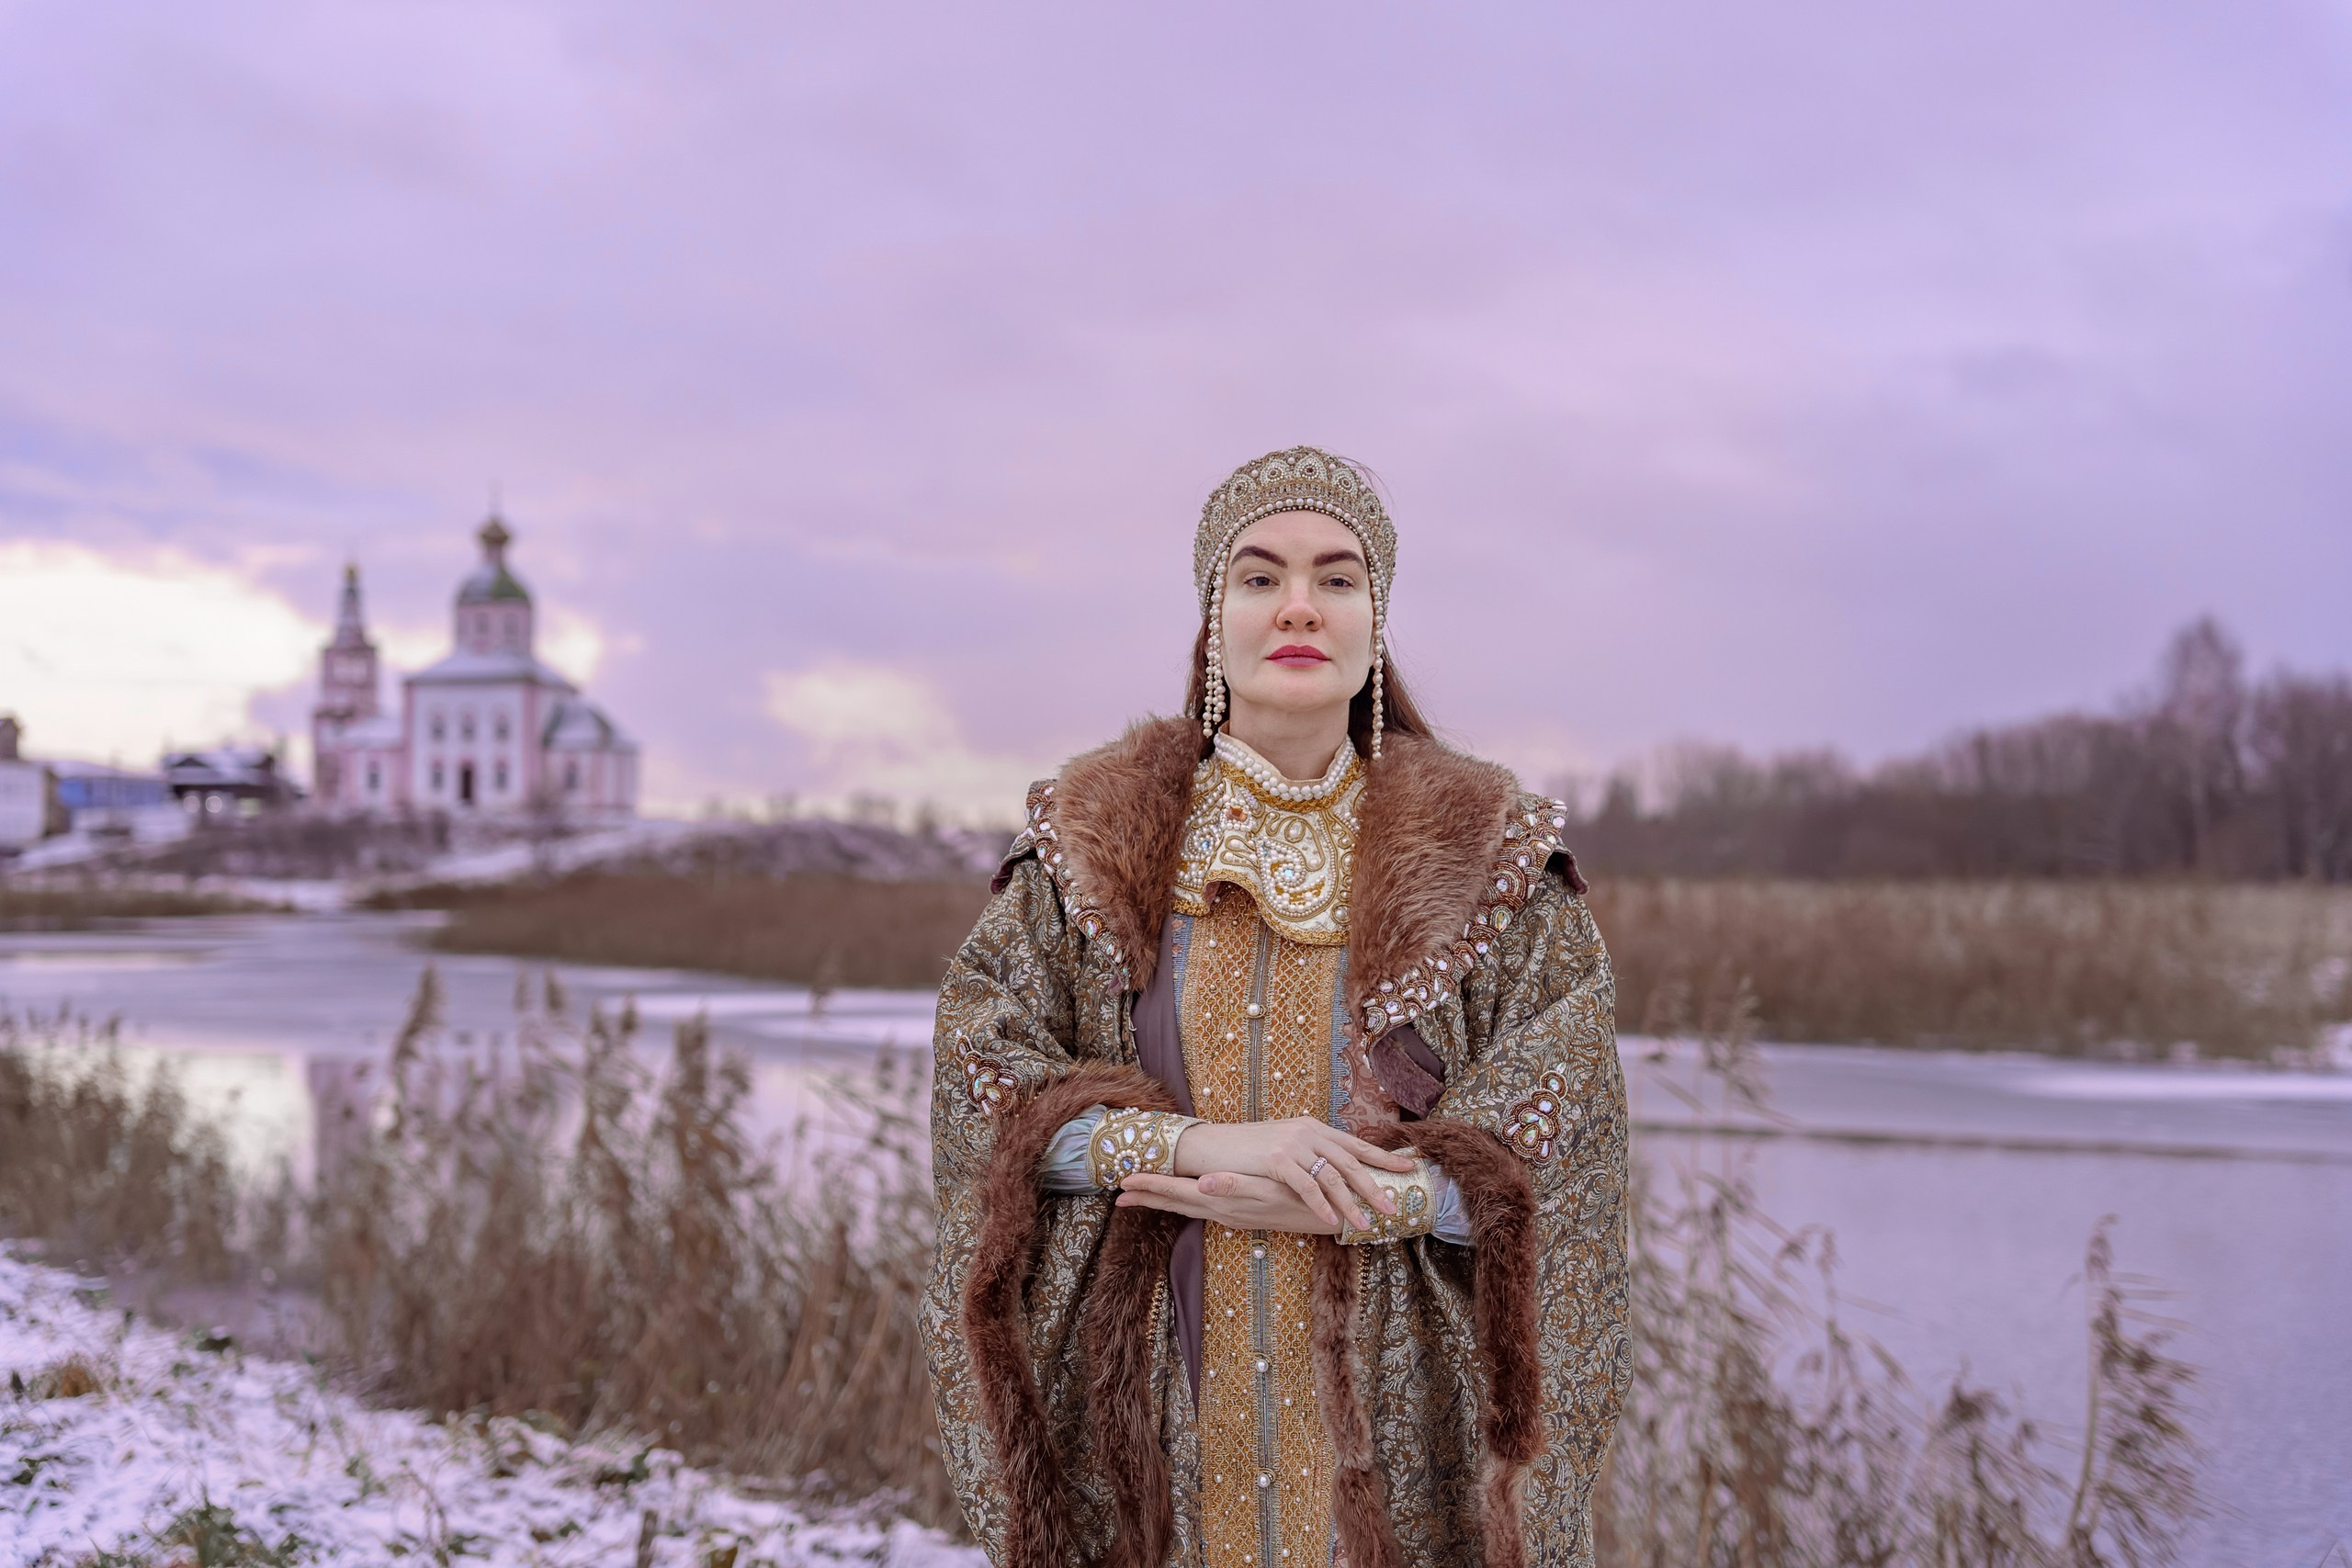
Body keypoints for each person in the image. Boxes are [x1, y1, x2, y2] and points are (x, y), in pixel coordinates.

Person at [923, 447, 1629, 1568]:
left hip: (1400, 1431)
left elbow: (1566, 1141)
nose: (1298, 605)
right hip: (1155, 1400)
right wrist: (1188, 1145)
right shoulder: (1087, 852)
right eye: (1259, 577)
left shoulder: (1492, 860)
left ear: (1373, 615)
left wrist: (1375, 1199)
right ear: (1214, 617)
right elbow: (981, 1085)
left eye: (1337, 578)